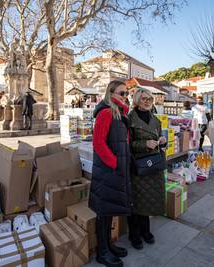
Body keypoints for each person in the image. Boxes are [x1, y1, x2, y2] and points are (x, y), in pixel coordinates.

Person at [89, 80, 131, 267]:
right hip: (108, 170)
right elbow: (98, 143)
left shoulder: (119, 113)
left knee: (109, 209)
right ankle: (102, 252)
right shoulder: (106, 113)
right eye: (121, 93)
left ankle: (108, 246)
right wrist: (115, 163)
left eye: (126, 93)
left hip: (115, 170)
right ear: (111, 94)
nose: (125, 96)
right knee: (103, 212)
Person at [128, 88, 166, 250]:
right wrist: (144, 144)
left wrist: (162, 141)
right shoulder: (129, 119)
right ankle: (134, 235)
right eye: (144, 98)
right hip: (139, 165)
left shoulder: (155, 120)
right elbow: (126, 144)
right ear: (137, 100)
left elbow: (160, 140)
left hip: (154, 164)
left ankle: (146, 231)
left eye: (150, 98)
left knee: (149, 198)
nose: (148, 101)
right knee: (137, 201)